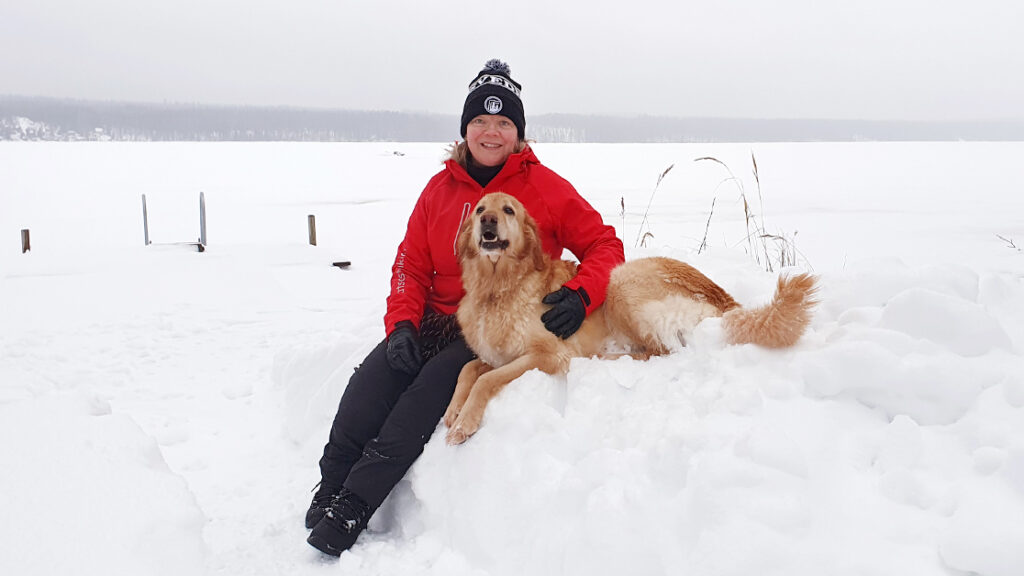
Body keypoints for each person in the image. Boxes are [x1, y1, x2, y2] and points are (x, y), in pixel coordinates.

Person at [305, 59, 625, 556]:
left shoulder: (546, 189)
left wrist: (583, 294)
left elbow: (605, 247)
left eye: (503, 123)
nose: (491, 132)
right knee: (369, 385)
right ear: (465, 130)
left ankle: (353, 505)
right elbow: (409, 262)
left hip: (491, 323)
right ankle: (329, 489)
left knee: (423, 398)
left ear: (518, 134)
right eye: (480, 121)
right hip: (432, 317)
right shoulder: (439, 190)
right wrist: (403, 325)